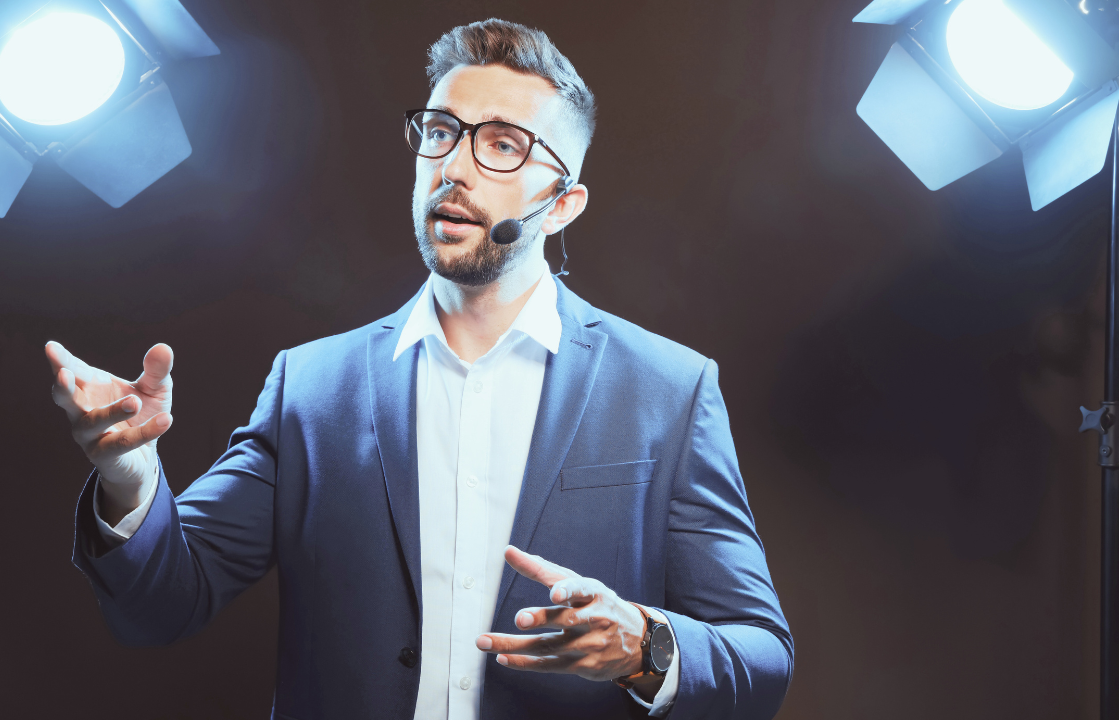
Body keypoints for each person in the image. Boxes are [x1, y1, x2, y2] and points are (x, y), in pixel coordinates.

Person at [46, 18, 792, 720]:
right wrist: (133, 475)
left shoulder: (669, 390)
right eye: (440, 132)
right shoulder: (311, 389)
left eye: (502, 145)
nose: (454, 166)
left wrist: (643, 646)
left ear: (562, 205)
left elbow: (762, 656)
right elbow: (163, 603)